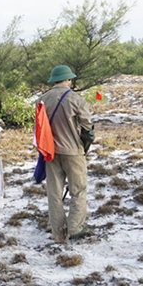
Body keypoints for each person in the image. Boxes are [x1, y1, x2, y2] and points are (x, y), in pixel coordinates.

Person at [39, 65, 94, 241]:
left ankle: (58, 232)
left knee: (54, 193)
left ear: (53, 80)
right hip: (73, 151)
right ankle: (75, 227)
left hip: (50, 152)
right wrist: (85, 147)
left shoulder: (42, 100)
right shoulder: (76, 99)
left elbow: (39, 128)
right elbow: (87, 127)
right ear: (68, 79)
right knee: (78, 190)